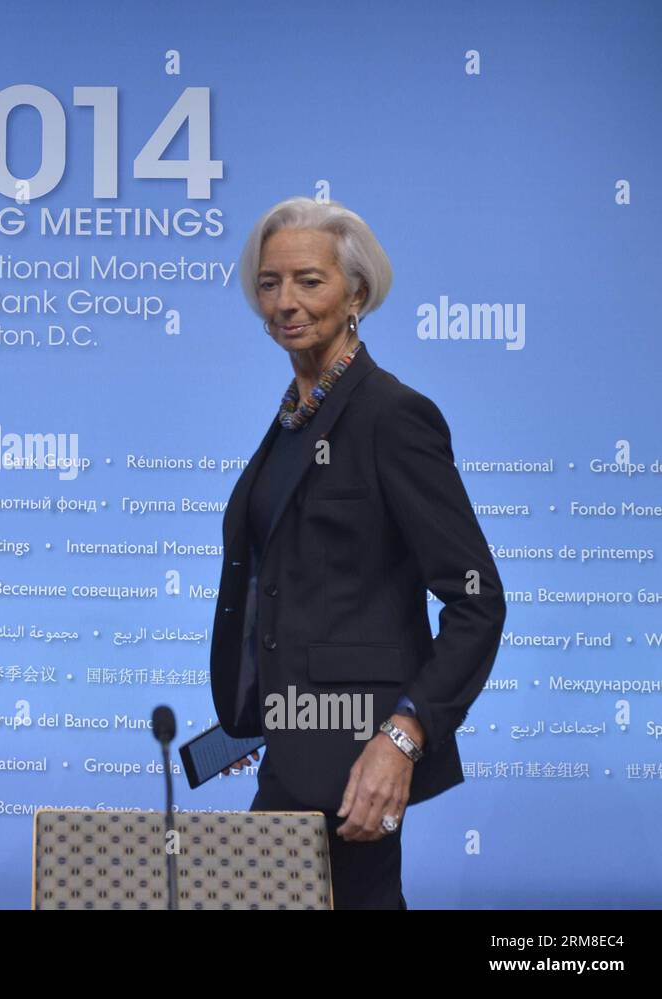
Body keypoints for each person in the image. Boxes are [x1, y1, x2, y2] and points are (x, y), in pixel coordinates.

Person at [210, 196, 507, 909]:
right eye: (270, 282)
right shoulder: (295, 416)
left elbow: (476, 600)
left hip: (357, 763)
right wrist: (252, 708)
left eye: (309, 281)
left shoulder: (391, 416)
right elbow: (293, 592)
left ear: (357, 294)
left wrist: (403, 736)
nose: (285, 302)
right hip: (293, 748)